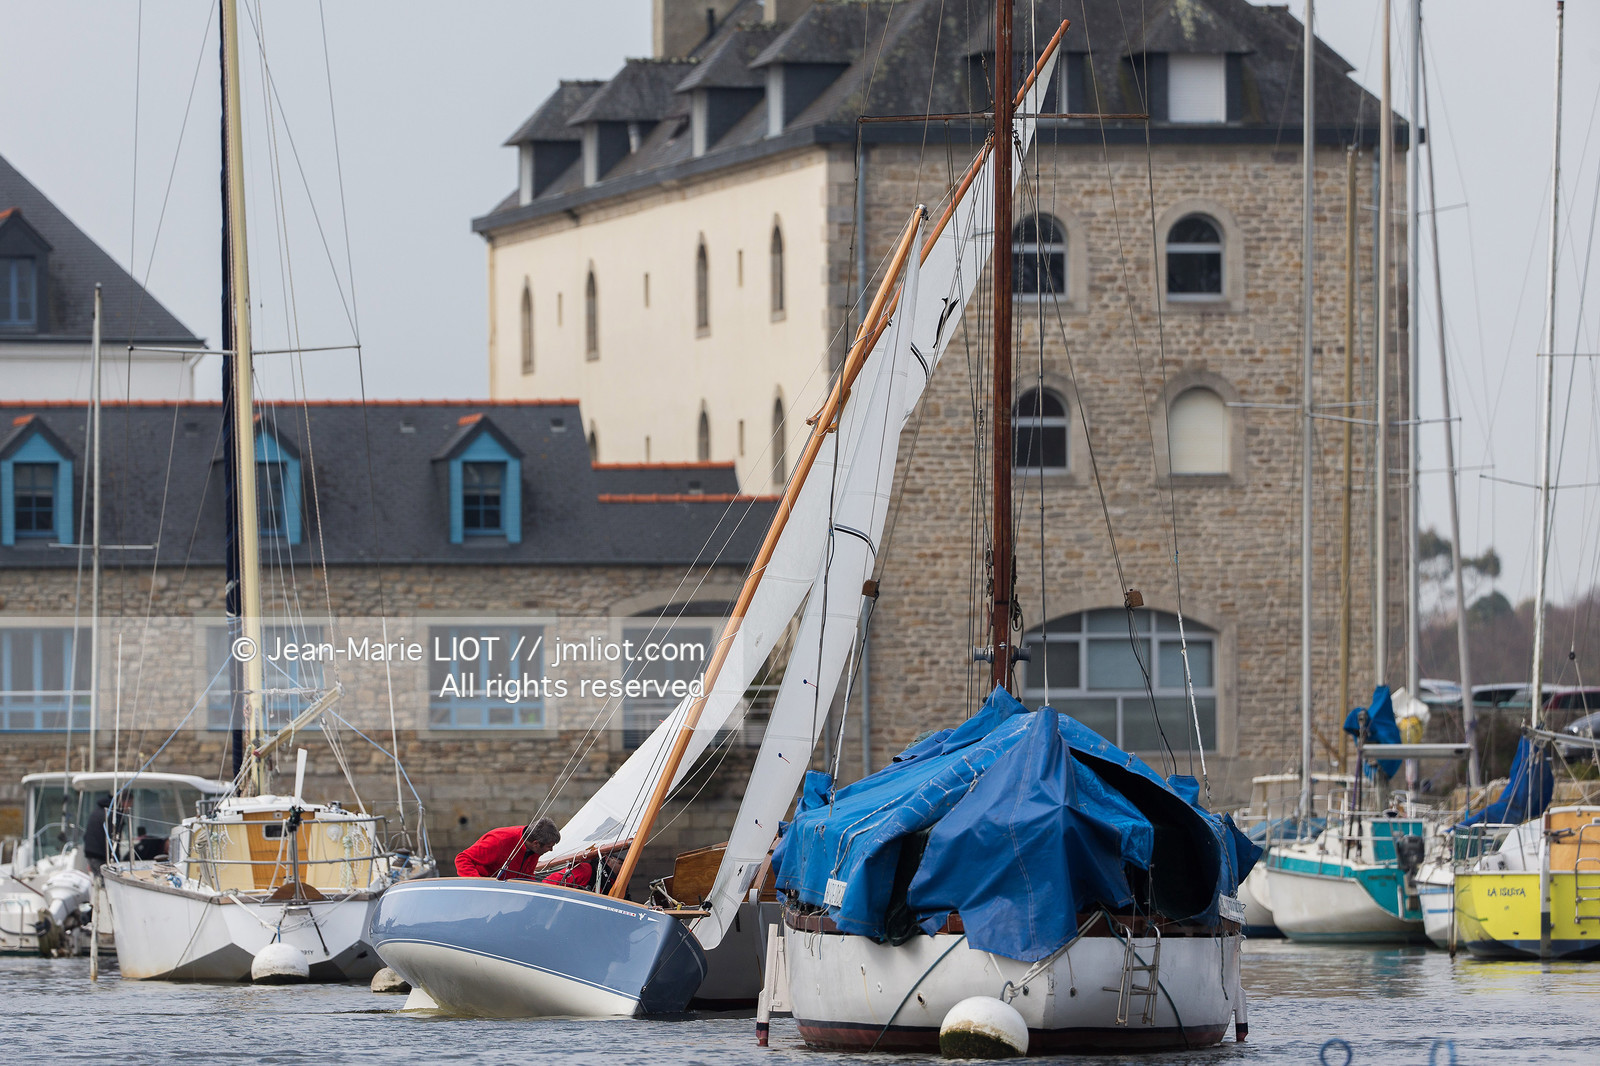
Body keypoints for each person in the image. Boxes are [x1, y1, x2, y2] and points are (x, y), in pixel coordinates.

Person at [454, 818, 561, 879]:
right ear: (536, 843)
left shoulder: (534, 848)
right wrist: (479, 884)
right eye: (549, 846)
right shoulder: (499, 840)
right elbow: (462, 859)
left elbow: (527, 876)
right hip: (485, 892)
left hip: (506, 895)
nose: (551, 850)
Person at [82, 796, 111, 875]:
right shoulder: (108, 815)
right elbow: (110, 837)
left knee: (96, 878)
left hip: (89, 852)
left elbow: (86, 835)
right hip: (99, 854)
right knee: (103, 878)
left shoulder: (94, 813)